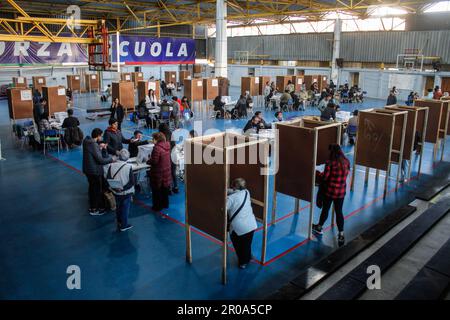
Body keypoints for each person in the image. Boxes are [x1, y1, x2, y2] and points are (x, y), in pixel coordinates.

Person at [312, 144, 350, 245]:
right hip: (341, 192)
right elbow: (346, 174)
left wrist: (317, 172)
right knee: (339, 212)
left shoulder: (330, 163)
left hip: (330, 191)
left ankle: (319, 227)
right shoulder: (346, 161)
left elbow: (325, 177)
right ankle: (341, 234)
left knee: (326, 209)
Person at [82, 128, 114, 216]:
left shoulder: (87, 142)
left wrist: (99, 147)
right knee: (96, 190)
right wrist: (111, 159)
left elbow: (93, 154)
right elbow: (101, 160)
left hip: (88, 170)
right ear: (98, 135)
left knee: (92, 189)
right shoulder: (93, 145)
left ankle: (92, 206)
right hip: (94, 171)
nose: (102, 137)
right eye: (101, 135)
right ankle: (95, 209)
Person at [227, 178, 257, 269]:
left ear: (234, 186)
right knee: (247, 243)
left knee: (238, 244)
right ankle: (248, 257)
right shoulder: (247, 192)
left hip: (239, 228)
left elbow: (223, 208)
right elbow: (234, 191)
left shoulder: (230, 198)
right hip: (251, 224)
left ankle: (243, 262)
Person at [104, 149, 135, 231]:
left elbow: (108, 178)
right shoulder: (129, 167)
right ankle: (124, 225)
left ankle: (119, 221)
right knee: (125, 208)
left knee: (118, 207)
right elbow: (132, 181)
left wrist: (115, 188)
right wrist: (123, 189)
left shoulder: (111, 165)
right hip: (126, 192)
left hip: (115, 191)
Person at [147, 132, 172, 211]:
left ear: (157, 139)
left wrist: (148, 161)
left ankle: (157, 207)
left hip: (158, 173)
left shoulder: (157, 148)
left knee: (157, 191)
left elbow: (154, 161)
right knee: (164, 190)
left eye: (153, 139)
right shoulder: (167, 145)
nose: (152, 140)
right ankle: (165, 204)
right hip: (166, 171)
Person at [159, 123, 178, 194]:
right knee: (173, 172)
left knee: (168, 173)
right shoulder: (171, 133)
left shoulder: (162, 136)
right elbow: (174, 145)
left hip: (167, 156)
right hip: (174, 155)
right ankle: (176, 187)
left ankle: (169, 189)